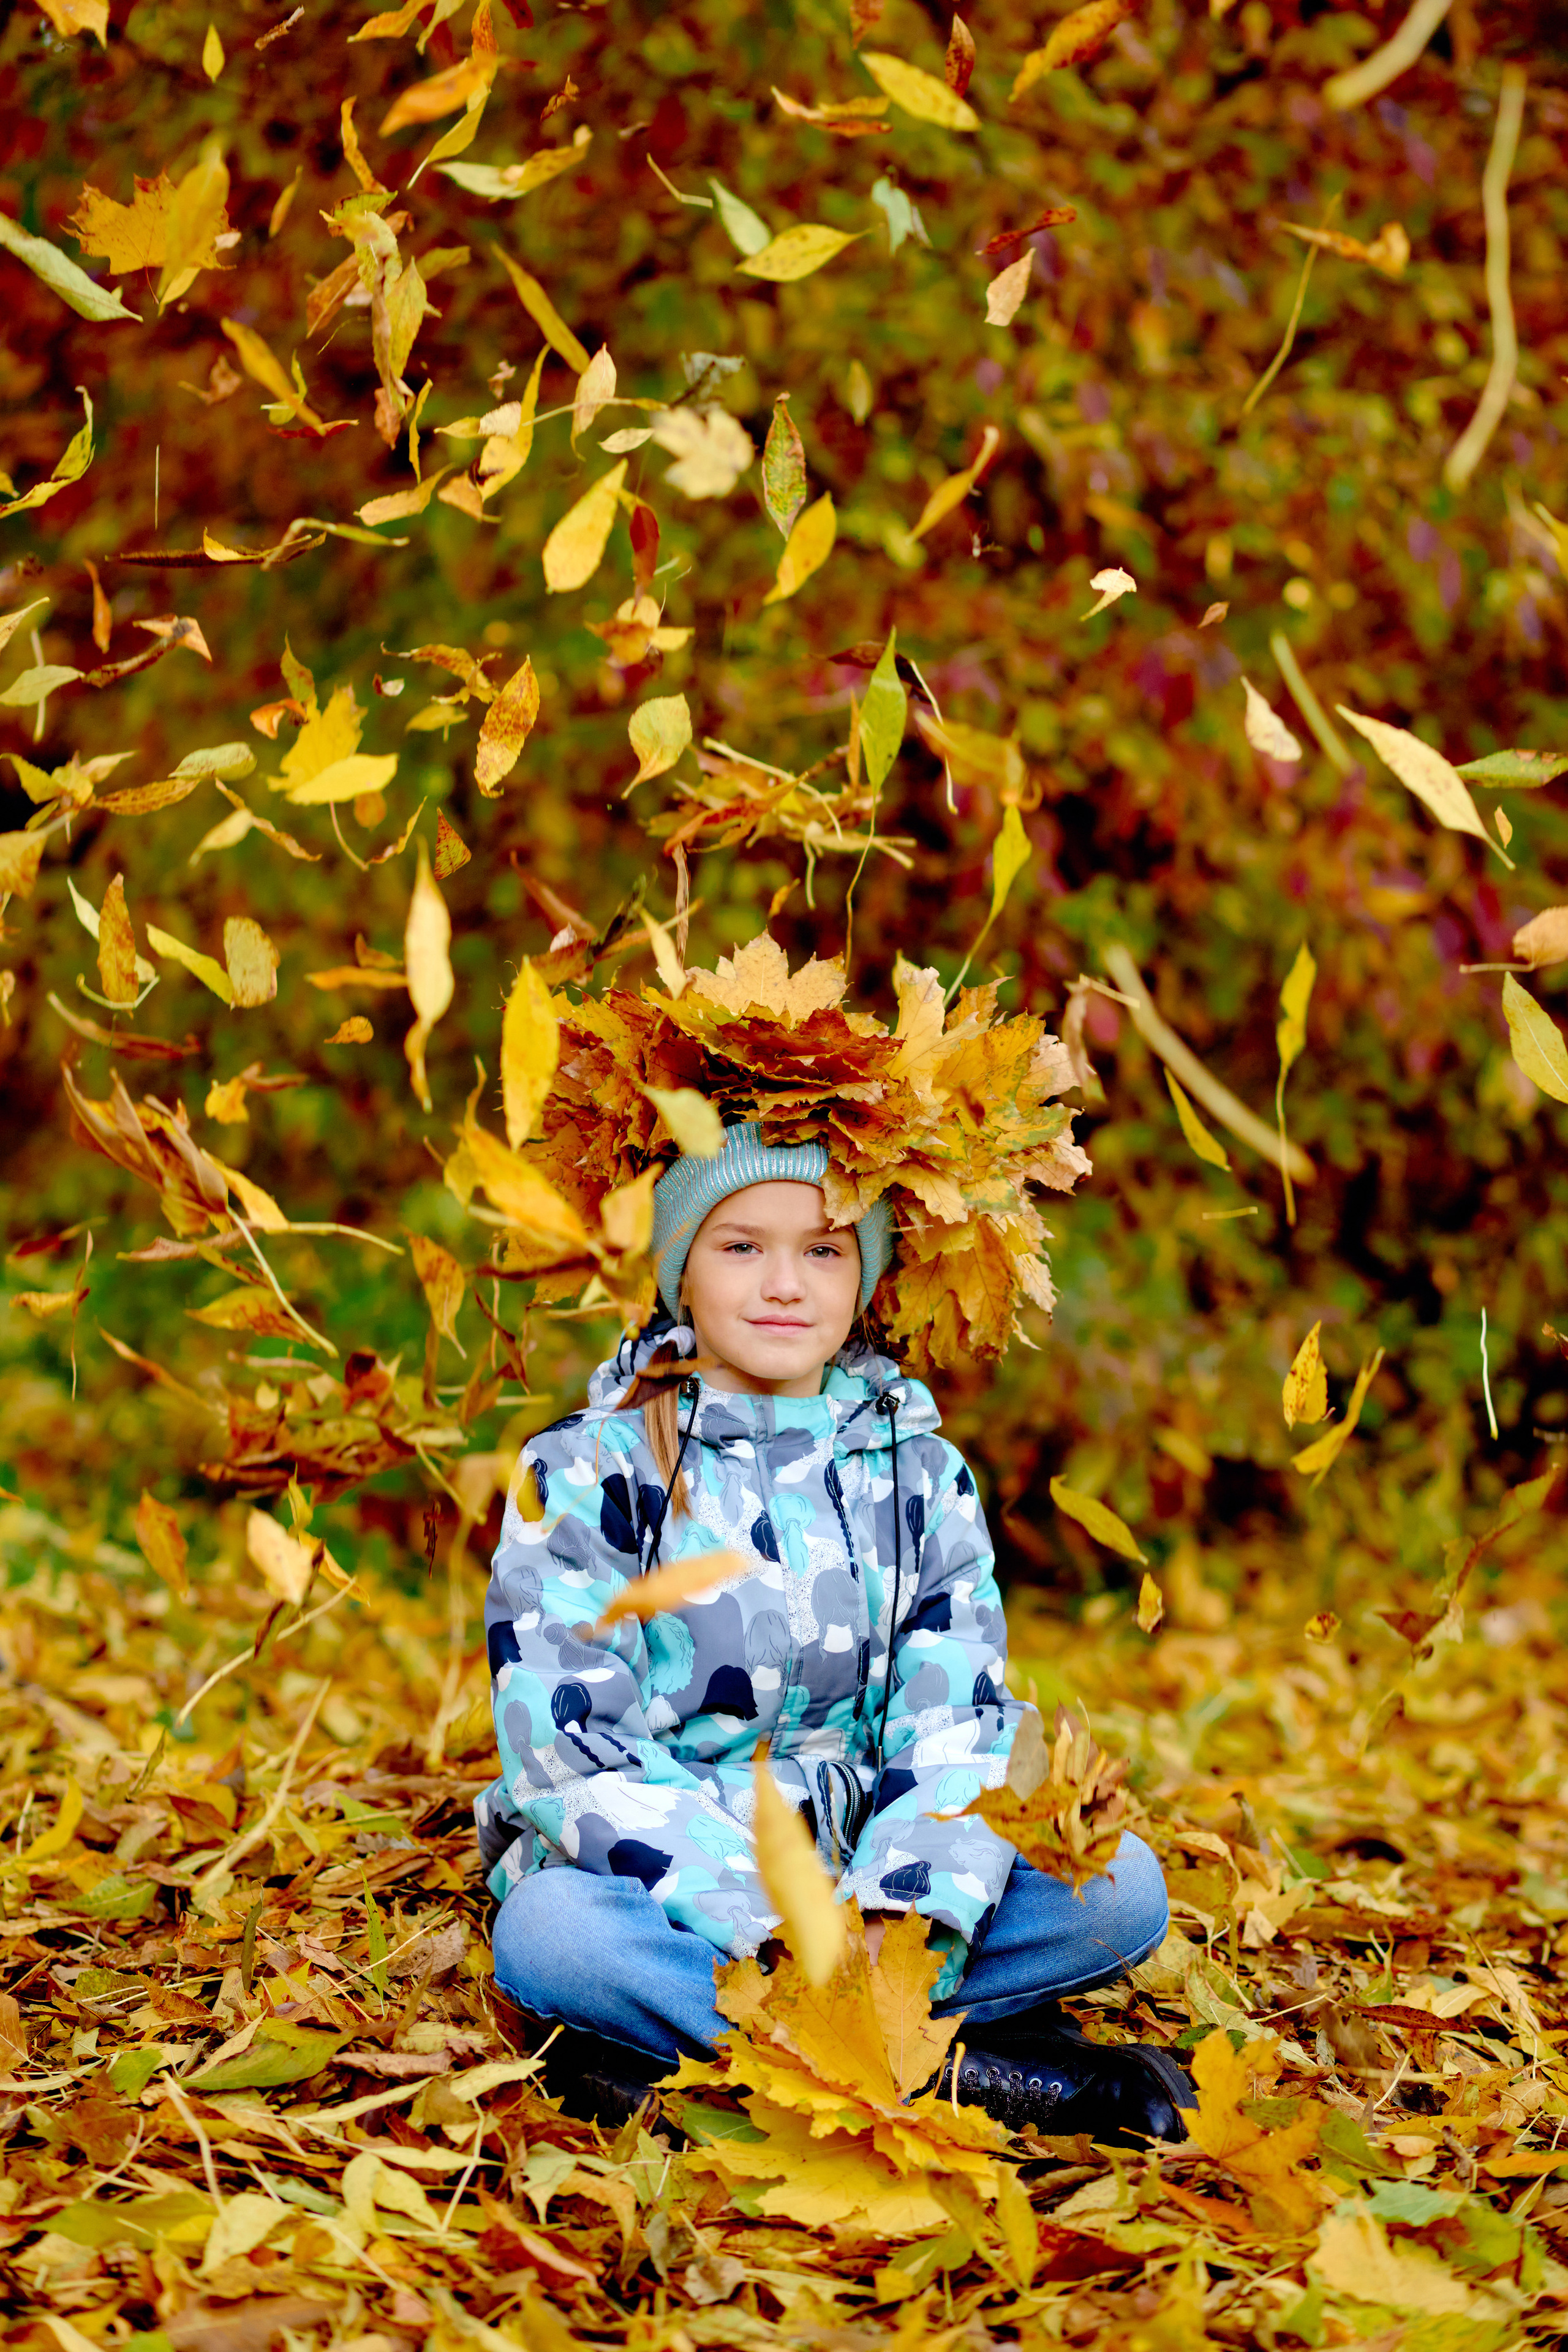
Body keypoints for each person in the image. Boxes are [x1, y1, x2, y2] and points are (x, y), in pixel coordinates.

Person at [475, 1125, 1190, 2143]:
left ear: (865, 1272)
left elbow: (959, 1728)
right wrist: (783, 1937)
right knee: (557, 1938)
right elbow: (570, 1756)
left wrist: (899, 1933)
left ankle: (708, 2057)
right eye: (740, 1246)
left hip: (883, 1881)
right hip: (681, 1890)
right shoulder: (589, 1474)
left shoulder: (922, 1473)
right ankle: (981, 2072)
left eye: (823, 1249)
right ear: (680, 1268)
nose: (784, 1283)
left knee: (1120, 1892)